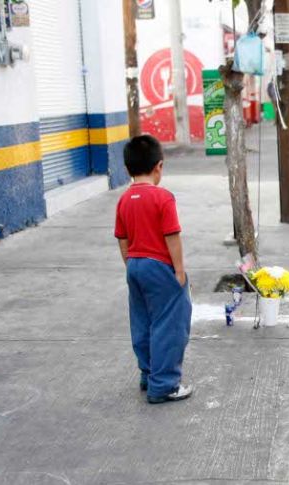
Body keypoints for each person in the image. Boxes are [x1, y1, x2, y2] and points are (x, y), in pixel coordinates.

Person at [115, 135, 193, 404]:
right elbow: (172, 235)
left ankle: (148, 375)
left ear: (127, 169)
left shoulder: (124, 200)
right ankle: (165, 385)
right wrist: (179, 271)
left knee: (143, 321)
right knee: (170, 323)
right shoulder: (163, 198)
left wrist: (130, 265)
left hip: (134, 265)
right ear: (159, 166)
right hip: (159, 266)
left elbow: (122, 239)